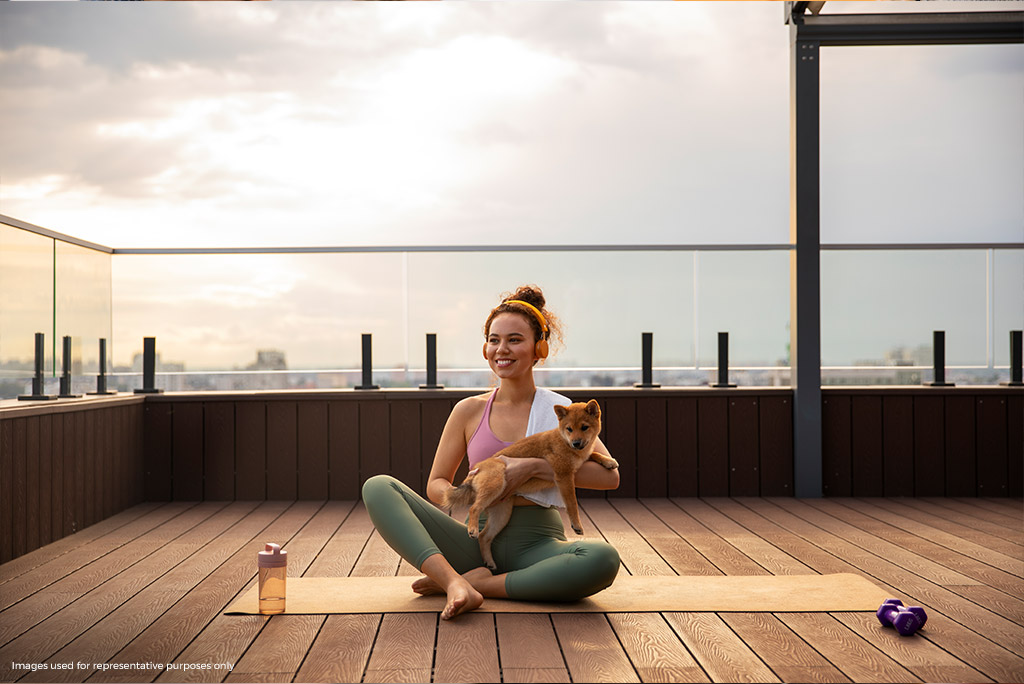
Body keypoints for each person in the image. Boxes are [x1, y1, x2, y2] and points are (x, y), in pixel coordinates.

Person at [362, 285, 621, 619]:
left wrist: (530, 468)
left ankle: (471, 584)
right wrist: (468, 493)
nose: (502, 349)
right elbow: (437, 482)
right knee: (378, 487)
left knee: (603, 560)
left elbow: (610, 477)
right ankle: (456, 580)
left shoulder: (563, 411)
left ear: (538, 347)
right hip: (474, 538)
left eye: (515, 339)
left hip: (538, 544)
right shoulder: (468, 411)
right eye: (494, 339)